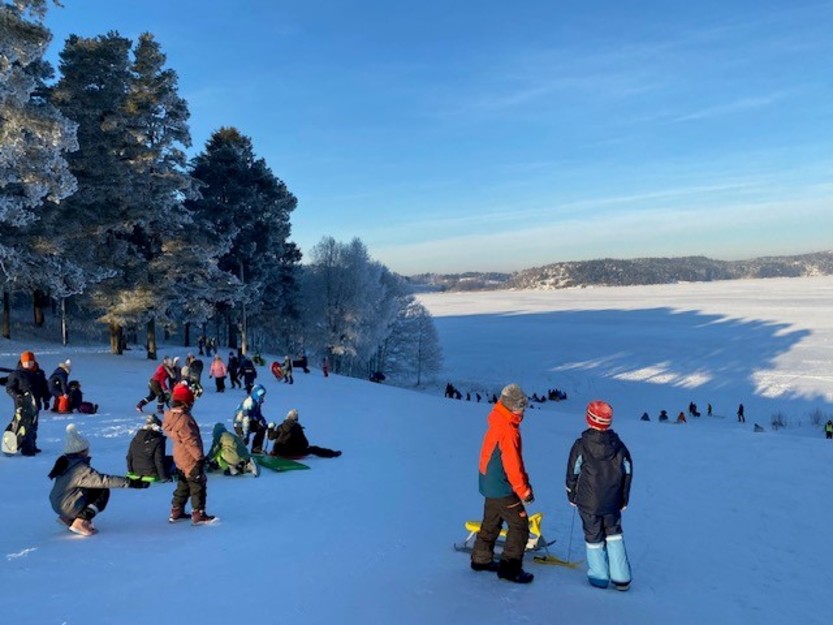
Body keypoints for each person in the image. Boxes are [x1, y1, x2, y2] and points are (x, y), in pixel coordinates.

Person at [470, 383, 535, 584]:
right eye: (521, 406)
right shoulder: (508, 429)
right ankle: (510, 568)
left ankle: (481, 559)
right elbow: (513, 465)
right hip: (501, 485)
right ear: (512, 406)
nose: (524, 410)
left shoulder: (498, 420)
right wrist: (523, 491)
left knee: (492, 520)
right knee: (520, 525)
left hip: (489, 482)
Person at [566, 400, 633, 591]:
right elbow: (628, 472)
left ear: (589, 419)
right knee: (614, 534)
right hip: (612, 501)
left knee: (593, 535)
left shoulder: (581, 445)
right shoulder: (619, 446)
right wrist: (624, 498)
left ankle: (599, 576)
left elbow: (573, 472)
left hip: (588, 502)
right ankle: (621, 577)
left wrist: (571, 494)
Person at [49, 423, 149, 536]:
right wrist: (131, 482)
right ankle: (80, 521)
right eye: (86, 449)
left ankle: (67, 518)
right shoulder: (79, 469)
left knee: (90, 489)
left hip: (58, 503)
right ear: (81, 451)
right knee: (102, 491)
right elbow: (103, 480)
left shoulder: (66, 462)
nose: (88, 452)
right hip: (67, 505)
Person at [162, 383, 216, 525]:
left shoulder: (172, 417)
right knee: (197, 484)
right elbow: (190, 441)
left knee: (183, 484)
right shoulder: (184, 420)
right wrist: (199, 458)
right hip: (190, 458)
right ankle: (199, 513)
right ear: (185, 403)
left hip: (179, 456)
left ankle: (176, 510)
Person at [4, 350, 42, 456]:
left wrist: (46, 398)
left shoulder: (39, 373)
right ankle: (23, 447)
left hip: (35, 404)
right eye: (26, 362)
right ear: (22, 362)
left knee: (33, 426)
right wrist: (17, 395)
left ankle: (32, 446)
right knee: (23, 426)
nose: (28, 364)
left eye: (30, 362)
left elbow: (43, 387)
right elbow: (9, 388)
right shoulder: (16, 374)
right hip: (22, 405)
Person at [267, 409, 342, 458]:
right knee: (313, 448)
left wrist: (270, 428)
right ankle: (332, 453)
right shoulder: (297, 428)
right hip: (289, 454)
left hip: (277, 451)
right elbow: (305, 443)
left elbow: (270, 437)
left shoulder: (280, 426)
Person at [126, 415, 175, 482]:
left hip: (136, 470)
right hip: (152, 472)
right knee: (174, 460)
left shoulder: (136, 439)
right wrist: (163, 477)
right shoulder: (158, 440)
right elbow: (158, 460)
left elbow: (129, 457)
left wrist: (131, 472)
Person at [233, 383, 268, 454]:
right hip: (239, 423)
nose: (263, 397)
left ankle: (256, 449)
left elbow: (257, 413)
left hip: (248, 421)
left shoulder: (256, 402)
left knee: (261, 428)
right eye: (261, 395)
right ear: (256, 394)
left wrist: (262, 420)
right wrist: (246, 433)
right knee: (244, 440)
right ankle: (237, 453)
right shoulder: (249, 403)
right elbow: (245, 419)